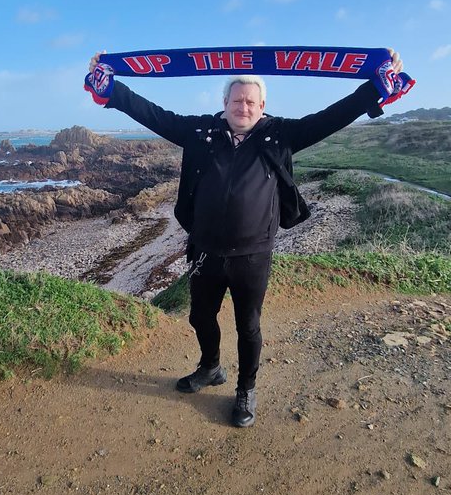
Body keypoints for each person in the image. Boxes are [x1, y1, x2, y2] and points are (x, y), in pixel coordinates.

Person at [87, 47, 403, 427]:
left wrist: (375, 90)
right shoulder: (200, 131)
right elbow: (154, 115)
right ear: (225, 102)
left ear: (262, 104)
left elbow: (329, 118)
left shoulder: (280, 134)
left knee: (248, 325)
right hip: (205, 251)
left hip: (253, 255)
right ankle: (210, 367)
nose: (244, 106)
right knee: (200, 315)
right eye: (237, 100)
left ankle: (245, 390)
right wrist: (112, 88)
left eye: (251, 101)